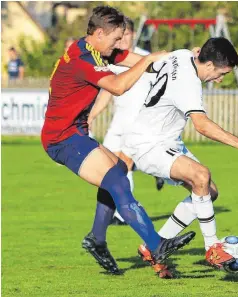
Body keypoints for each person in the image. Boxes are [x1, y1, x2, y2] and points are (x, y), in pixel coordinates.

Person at [41, 6, 195, 275]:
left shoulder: (95, 49)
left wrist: (186, 60)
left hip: (74, 133)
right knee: (117, 180)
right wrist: (147, 62)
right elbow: (119, 86)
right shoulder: (82, 60)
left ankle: (97, 239)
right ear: (99, 33)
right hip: (62, 139)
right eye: (116, 39)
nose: (119, 44)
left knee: (119, 173)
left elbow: (138, 58)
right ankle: (156, 245)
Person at [93, 37, 238, 277]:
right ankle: (212, 248)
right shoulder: (188, 83)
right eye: (222, 73)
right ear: (211, 65)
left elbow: (173, 56)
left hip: (165, 140)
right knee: (201, 175)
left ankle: (154, 246)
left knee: (208, 191)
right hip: (149, 144)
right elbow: (201, 125)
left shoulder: (183, 55)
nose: (220, 79)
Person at [88, 17, 165, 226]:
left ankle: (123, 214)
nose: (121, 39)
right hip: (118, 122)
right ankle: (155, 172)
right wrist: (92, 115)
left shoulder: (145, 58)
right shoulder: (112, 58)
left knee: (125, 165)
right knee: (109, 168)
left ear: (132, 34)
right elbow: (107, 91)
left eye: (125, 34)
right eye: (118, 36)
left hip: (139, 122)